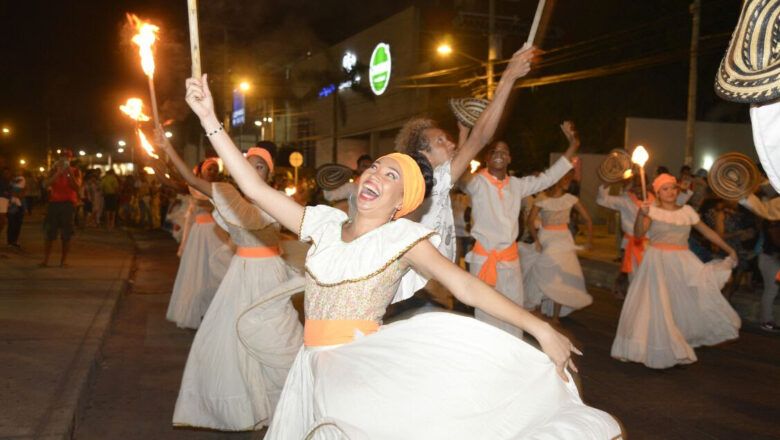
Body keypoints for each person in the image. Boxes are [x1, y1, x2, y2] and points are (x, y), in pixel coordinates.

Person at [184, 74, 621, 439]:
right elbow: (254, 188)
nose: (375, 174)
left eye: (390, 175)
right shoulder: (322, 224)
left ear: (401, 201)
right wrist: (209, 120)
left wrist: (540, 328)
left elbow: (465, 285)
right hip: (309, 367)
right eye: (374, 168)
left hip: (357, 372)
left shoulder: (403, 239)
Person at [153, 131, 303, 431]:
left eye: (260, 167)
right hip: (242, 275)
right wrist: (167, 147)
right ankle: (248, 407)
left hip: (270, 276)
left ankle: (288, 405)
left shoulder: (278, 200)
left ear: (269, 173)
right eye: (249, 165)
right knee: (233, 345)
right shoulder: (226, 195)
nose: (254, 170)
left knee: (279, 340)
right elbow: (190, 180)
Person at [392, 44, 536, 305]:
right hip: (420, 290)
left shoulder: (425, 180)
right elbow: (481, 138)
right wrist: (508, 77)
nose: (450, 144)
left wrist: (463, 133)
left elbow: (471, 144)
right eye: (440, 141)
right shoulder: (431, 181)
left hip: (427, 284)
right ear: (422, 152)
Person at [460, 124, 579, 337]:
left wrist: (573, 146)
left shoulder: (517, 185)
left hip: (510, 261)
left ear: (509, 159)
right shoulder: (476, 182)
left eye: (504, 151)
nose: (499, 154)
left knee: (514, 313)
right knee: (486, 316)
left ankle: (512, 353)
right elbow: (459, 170)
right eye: (494, 151)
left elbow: (549, 177)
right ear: (487, 158)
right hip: (484, 260)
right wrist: (464, 134)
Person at [611, 174, 741, 369]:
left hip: (682, 261)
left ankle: (678, 340)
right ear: (658, 193)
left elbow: (707, 232)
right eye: (665, 189)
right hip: (657, 263)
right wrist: (641, 214)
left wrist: (729, 249)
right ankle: (664, 348)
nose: (670, 192)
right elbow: (638, 234)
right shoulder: (651, 210)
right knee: (660, 305)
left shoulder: (687, 211)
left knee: (683, 300)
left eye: (673, 188)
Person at [166, 157, 231, 329]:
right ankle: (198, 310)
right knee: (197, 274)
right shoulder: (193, 187)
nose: (213, 172)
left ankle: (216, 311)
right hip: (199, 235)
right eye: (210, 168)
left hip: (217, 234)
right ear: (201, 170)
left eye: (216, 169)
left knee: (218, 272)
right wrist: (184, 244)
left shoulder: (221, 188)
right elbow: (190, 219)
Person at [524, 170, 594, 321]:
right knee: (542, 273)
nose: (569, 182)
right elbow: (530, 221)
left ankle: (555, 317)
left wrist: (589, 240)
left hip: (563, 239)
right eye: (566, 179)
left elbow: (588, 219)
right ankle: (537, 310)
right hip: (547, 237)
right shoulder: (542, 198)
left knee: (561, 279)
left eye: (569, 179)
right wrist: (537, 240)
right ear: (557, 180)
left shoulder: (570, 199)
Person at [596, 173, 655, 299]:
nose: (638, 190)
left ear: (647, 185)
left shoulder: (655, 201)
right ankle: (633, 302)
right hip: (631, 245)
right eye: (635, 186)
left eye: (640, 186)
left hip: (651, 245)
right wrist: (609, 181)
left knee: (649, 278)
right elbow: (602, 199)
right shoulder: (625, 200)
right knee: (632, 277)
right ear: (631, 186)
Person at [738, 191, 780, 331]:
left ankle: (767, 320)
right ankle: (766, 321)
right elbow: (776, 241)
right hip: (770, 258)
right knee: (771, 290)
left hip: (770, 258)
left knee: (771, 290)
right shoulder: (772, 222)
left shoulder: (771, 219)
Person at [40, 154, 81, 267]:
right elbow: (45, 184)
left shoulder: (75, 171)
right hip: (54, 204)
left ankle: (63, 261)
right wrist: (58, 172)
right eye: (62, 158)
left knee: (66, 234)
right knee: (50, 233)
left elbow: (77, 187)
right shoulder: (53, 171)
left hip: (68, 204)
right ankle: (45, 260)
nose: (64, 160)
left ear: (70, 159)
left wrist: (69, 173)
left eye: (67, 158)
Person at [322, 153, 373, 218]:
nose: (367, 169)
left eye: (370, 167)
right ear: (358, 169)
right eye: (364, 166)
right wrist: (326, 181)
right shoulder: (351, 187)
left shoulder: (377, 188)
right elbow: (330, 196)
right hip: (355, 221)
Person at [7, 168, 26, 248]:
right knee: (12, 223)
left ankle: (14, 240)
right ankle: (11, 241)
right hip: (13, 204)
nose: (18, 172)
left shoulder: (21, 179)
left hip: (18, 204)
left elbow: (21, 192)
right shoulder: (11, 181)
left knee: (17, 223)